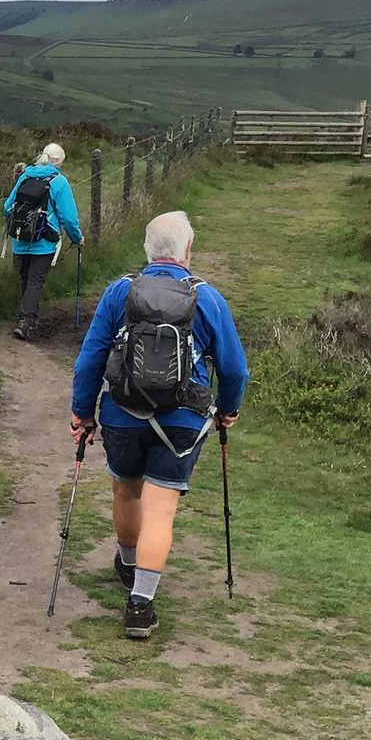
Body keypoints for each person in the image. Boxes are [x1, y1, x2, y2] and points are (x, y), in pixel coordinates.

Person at [70, 211, 247, 640]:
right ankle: (140, 605)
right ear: (188, 249)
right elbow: (234, 369)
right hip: (183, 421)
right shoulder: (207, 298)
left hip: (122, 414)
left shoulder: (120, 292)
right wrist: (227, 409)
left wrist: (83, 413)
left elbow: (90, 359)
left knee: (126, 491)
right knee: (160, 510)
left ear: (147, 250)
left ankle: (129, 565)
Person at [2, 143, 83, 340]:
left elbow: (7, 207)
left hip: (20, 239)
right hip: (44, 241)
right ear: (59, 162)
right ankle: (26, 321)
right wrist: (77, 237)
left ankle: (26, 317)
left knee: (26, 278)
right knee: (35, 280)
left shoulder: (25, 176)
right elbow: (68, 218)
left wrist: (19, 226)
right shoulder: (59, 182)